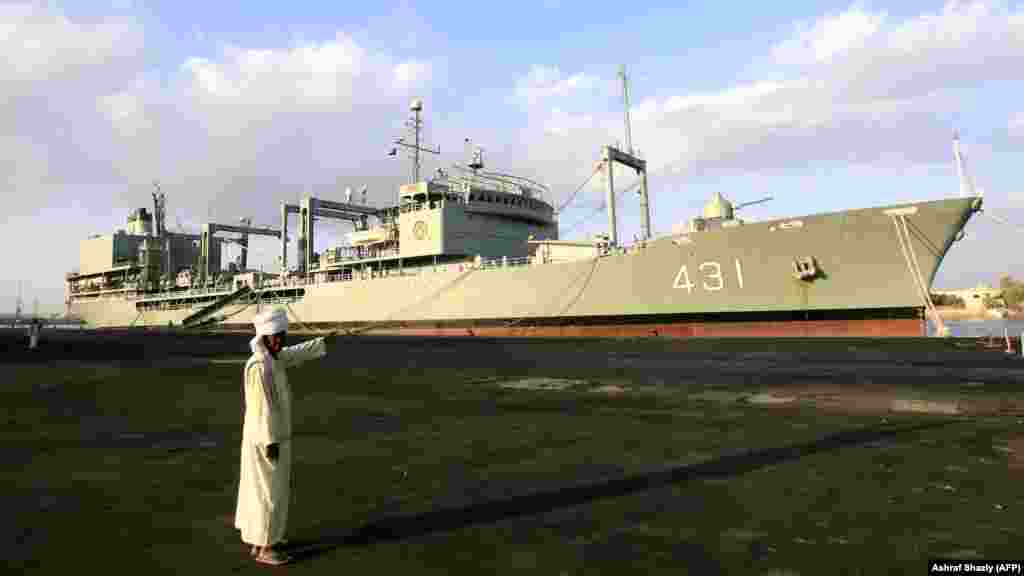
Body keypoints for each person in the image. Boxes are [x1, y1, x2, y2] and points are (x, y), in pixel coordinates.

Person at [234, 307, 336, 565]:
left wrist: (324, 342)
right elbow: (261, 408)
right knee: (268, 493)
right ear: (264, 338)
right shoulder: (259, 367)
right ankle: (265, 548)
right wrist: (270, 442)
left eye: (281, 335)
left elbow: (296, 353)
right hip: (267, 440)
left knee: (272, 492)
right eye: (274, 337)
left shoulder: (272, 358)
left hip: (274, 436)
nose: (279, 341)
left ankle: (266, 538)